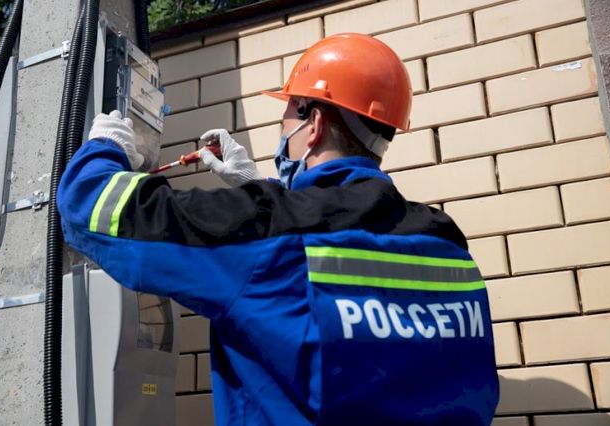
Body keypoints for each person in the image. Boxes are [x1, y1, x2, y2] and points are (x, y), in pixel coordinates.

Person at [58, 33, 499, 425]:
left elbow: (91, 207)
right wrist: (260, 190)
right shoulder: (445, 241)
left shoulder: (268, 227)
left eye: (286, 118)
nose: (283, 132)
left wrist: (105, 148)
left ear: (315, 124)